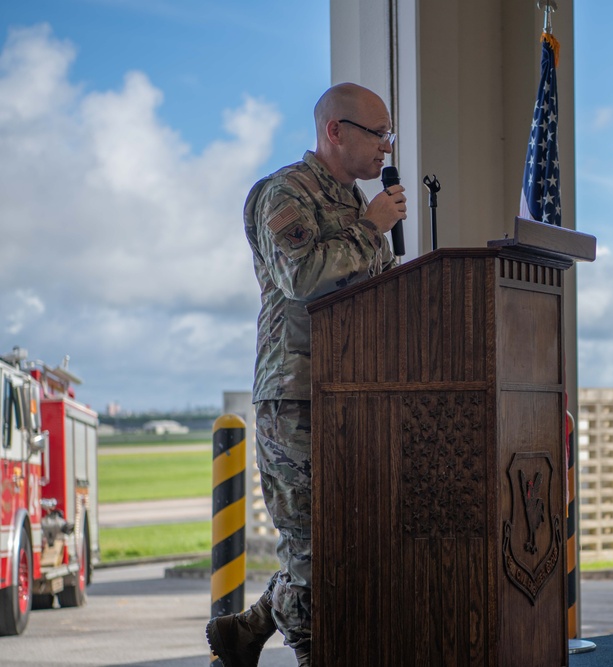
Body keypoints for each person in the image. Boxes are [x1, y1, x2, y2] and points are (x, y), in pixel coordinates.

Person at [206, 82, 406, 667]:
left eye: (389, 134)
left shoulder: (360, 204)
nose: (386, 149)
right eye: (377, 134)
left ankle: (245, 632)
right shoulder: (283, 193)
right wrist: (371, 228)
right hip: (296, 396)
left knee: (344, 541)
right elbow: (303, 277)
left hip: (357, 394)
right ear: (334, 131)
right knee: (315, 551)